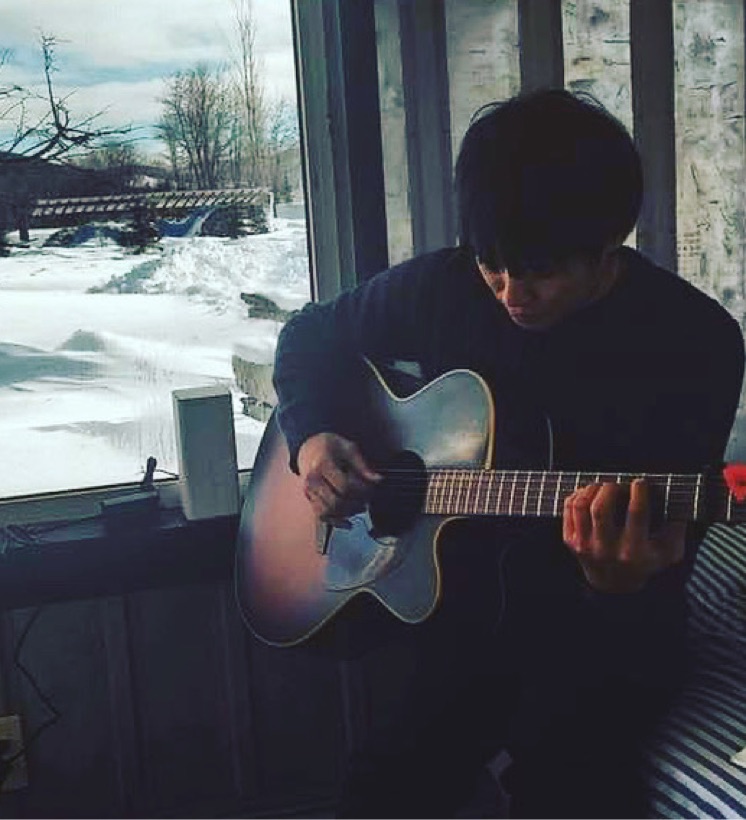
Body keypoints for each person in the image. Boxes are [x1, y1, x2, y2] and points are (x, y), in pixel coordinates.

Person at [271, 88, 745, 818]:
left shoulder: (696, 342)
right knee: (381, 789)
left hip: (601, 633)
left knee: (576, 787)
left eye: (540, 271)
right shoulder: (445, 285)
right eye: (494, 263)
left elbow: (665, 554)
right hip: (466, 618)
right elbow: (308, 336)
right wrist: (311, 438)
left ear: (608, 243)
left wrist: (615, 584)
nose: (509, 291)